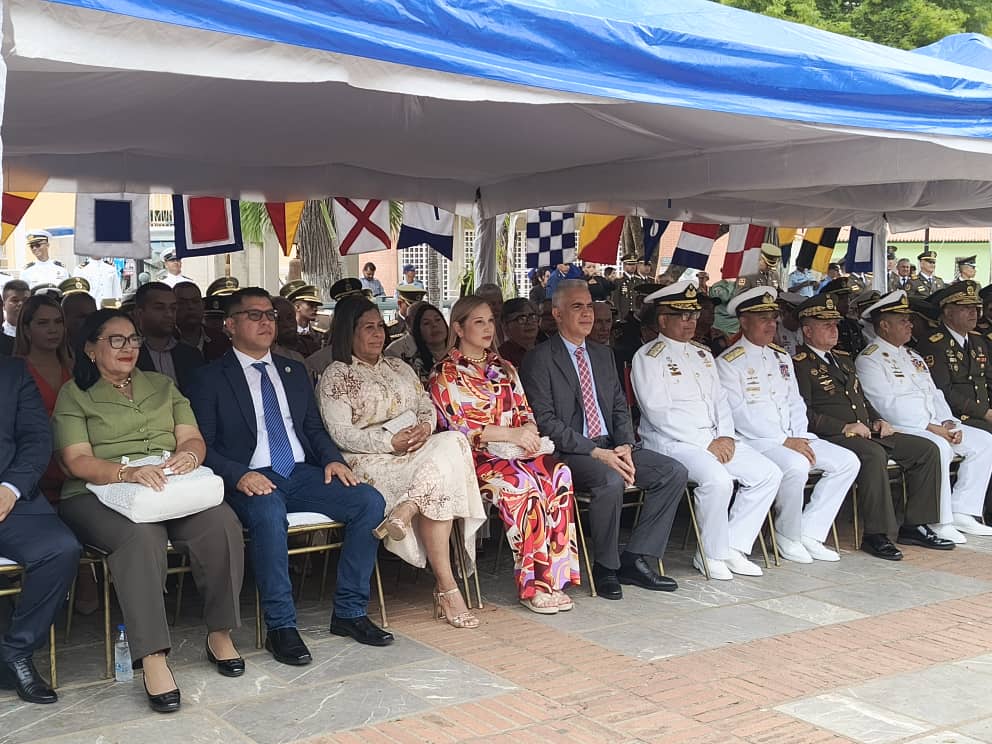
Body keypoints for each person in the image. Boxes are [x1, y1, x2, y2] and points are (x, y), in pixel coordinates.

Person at [53, 309, 245, 713]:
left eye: (133, 339)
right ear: (91, 349)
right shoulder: (75, 394)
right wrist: (127, 473)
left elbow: (191, 437)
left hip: (167, 484)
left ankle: (220, 633)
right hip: (98, 490)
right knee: (140, 537)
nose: (129, 348)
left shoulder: (161, 384)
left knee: (221, 521)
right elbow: (76, 461)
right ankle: (153, 657)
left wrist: (190, 458)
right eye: (116, 340)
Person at [187, 288, 392, 662]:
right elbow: (202, 444)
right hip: (249, 476)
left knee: (369, 502)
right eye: (254, 315)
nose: (266, 321)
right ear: (229, 325)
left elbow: (313, 429)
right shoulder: (209, 378)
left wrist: (333, 460)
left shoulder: (293, 370)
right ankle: (281, 625)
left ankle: (350, 611)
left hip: (299, 471)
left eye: (270, 315)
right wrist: (238, 475)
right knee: (268, 513)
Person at [319, 296, 486, 628]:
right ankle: (447, 586)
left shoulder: (398, 365)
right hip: (369, 460)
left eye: (380, 326)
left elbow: (426, 404)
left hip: (413, 450)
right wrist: (387, 441)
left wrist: (425, 427)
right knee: (440, 476)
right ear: (347, 331)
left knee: (453, 440)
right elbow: (339, 433)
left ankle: (408, 508)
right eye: (368, 328)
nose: (378, 334)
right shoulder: (336, 375)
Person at [520, 280, 686, 599]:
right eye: (576, 306)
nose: (587, 313)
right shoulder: (540, 358)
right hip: (572, 452)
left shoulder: (602, 353)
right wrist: (596, 452)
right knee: (609, 481)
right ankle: (605, 566)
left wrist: (624, 444)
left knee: (672, 472)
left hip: (611, 444)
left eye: (589, 306)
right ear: (556, 313)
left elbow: (618, 404)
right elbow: (547, 423)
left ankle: (636, 558)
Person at [430, 295, 579, 614]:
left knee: (559, 474)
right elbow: (462, 429)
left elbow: (526, 411)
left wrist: (527, 432)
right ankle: (532, 584)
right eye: (478, 322)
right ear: (458, 327)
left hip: (517, 452)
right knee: (522, 487)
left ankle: (554, 578)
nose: (487, 328)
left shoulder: (503, 366)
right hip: (477, 461)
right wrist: (511, 434)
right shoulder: (446, 373)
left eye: (490, 321)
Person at [632, 282, 780, 580]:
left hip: (715, 438)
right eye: (682, 316)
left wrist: (724, 435)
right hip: (672, 442)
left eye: (693, 315)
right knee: (718, 480)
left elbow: (720, 400)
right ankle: (709, 554)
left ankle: (733, 547)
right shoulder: (649, 356)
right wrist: (706, 442)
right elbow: (658, 412)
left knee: (768, 473)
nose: (691, 322)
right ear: (663, 320)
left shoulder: (702, 354)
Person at [792, 294, 951, 560]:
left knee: (926, 449)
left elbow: (861, 398)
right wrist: (844, 427)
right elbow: (803, 411)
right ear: (807, 331)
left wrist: (877, 418)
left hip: (865, 430)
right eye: (825, 325)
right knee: (873, 455)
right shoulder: (799, 364)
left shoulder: (842, 359)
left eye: (835, 323)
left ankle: (915, 525)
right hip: (831, 435)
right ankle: (877, 534)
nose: (834, 329)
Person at [717, 286, 859, 563]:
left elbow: (795, 401)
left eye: (774, 318)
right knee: (796, 465)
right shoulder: (729, 362)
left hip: (792, 435)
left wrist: (798, 435)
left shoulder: (781, 356)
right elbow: (739, 414)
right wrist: (783, 441)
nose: (772, 325)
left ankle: (810, 533)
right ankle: (786, 535)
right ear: (744, 321)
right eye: (763, 319)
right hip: (758, 441)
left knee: (848, 461)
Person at [855, 290, 992, 543]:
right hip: (904, 428)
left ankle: (963, 509)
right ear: (884, 325)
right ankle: (939, 521)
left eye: (909, 319)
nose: (910, 324)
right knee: (938, 446)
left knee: (984, 442)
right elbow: (887, 405)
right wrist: (932, 428)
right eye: (902, 320)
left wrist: (949, 422)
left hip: (934, 424)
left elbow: (935, 393)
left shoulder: (913, 356)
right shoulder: (870, 359)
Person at [0, 356, 80, 705]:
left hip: (11, 499)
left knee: (61, 548)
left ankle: (16, 652)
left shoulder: (12, 371)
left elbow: (36, 438)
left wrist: (11, 488)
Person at [13, 295, 73, 504]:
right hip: (33, 475)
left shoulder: (75, 369)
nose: (53, 329)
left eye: (58, 322)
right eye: (42, 323)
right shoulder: (15, 372)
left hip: (76, 472)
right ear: (27, 330)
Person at [915, 281, 992, 436]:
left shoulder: (978, 341)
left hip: (984, 414)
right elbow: (943, 390)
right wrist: (984, 412)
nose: (973, 313)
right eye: (966, 308)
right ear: (948, 312)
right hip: (956, 417)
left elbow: (989, 380)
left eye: (975, 308)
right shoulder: (934, 344)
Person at [133, 282, 205, 394]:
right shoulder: (128, 354)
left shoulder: (191, 355)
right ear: (140, 313)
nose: (169, 314)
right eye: (159, 308)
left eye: (173, 308)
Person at [386, 301, 449, 384]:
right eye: (426, 323)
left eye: (437, 320)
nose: (434, 325)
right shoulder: (396, 351)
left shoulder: (458, 349)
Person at [175, 281, 231, 361]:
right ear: (173, 306)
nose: (190, 307)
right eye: (182, 302)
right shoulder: (166, 341)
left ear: (202, 305)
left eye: (195, 301)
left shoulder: (220, 340)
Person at [820, 277, 867, 356]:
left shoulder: (853, 325)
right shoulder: (821, 327)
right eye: (842, 299)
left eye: (847, 298)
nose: (847, 303)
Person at [281, 281, 325, 358]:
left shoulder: (321, 336)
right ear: (297, 307)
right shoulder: (283, 336)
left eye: (316, 305)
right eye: (310, 305)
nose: (315, 309)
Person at [498, 298, 540, 368]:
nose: (529, 322)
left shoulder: (547, 349)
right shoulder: (501, 357)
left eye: (532, 316)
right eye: (521, 318)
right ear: (505, 325)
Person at [61, 287, 98, 352]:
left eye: (93, 316)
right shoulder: (53, 353)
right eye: (83, 317)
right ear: (64, 318)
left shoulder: (101, 350)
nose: (90, 321)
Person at [1, 280, 30, 356]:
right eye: (15, 300)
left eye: (25, 300)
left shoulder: (39, 335)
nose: (21, 304)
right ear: (4, 305)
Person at [612, 253, 643, 318]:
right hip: (624, 316)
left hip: (637, 315)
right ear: (624, 265)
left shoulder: (638, 281)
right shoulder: (619, 281)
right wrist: (618, 317)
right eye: (629, 264)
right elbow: (616, 300)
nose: (632, 267)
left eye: (634, 264)